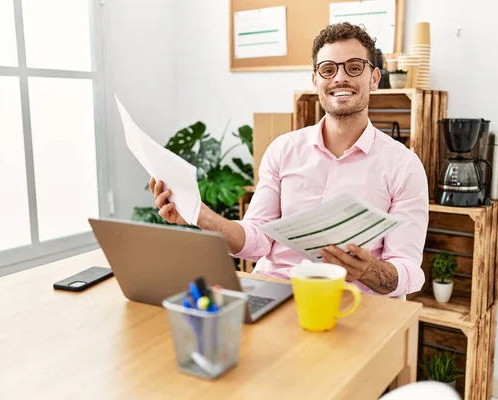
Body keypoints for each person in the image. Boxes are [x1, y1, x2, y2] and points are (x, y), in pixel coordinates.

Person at [149, 22, 428, 297]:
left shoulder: (403, 165)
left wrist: (367, 269)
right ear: (315, 80)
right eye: (328, 69)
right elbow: (255, 240)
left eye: (354, 67)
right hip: (274, 293)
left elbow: (409, 270)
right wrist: (200, 214)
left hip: (349, 305)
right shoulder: (283, 149)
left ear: (375, 78)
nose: (340, 78)